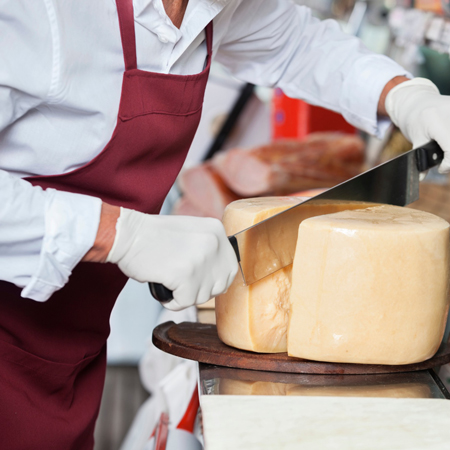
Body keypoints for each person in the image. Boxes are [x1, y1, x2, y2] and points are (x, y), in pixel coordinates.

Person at [1, 0, 449, 448]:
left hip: (63, 352)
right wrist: (118, 234)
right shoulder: (37, 11)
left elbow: (299, 45)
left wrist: (404, 95)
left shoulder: (216, 6)